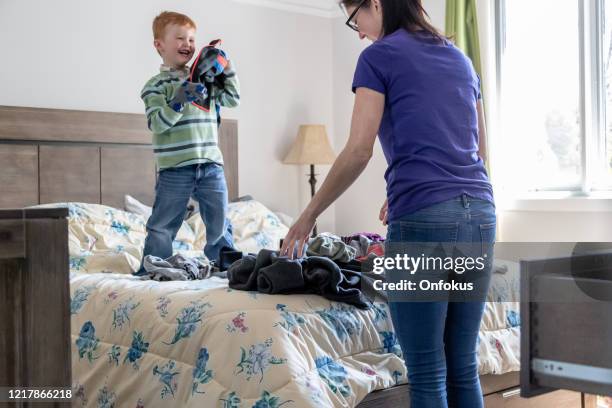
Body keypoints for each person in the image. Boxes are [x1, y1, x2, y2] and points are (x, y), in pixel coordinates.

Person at [280, 1, 495, 407]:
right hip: (480, 215)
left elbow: (359, 150)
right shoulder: (461, 60)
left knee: (429, 370)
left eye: (354, 17)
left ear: (375, 3)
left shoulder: (378, 57)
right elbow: (477, 152)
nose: (358, 31)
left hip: (424, 222)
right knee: (462, 363)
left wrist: (309, 214)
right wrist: (410, 186)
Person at [136, 11, 240, 275]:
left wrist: (227, 68)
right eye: (180, 38)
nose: (188, 44)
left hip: (210, 164)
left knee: (219, 220)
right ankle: (154, 267)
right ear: (159, 45)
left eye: (192, 39)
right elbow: (158, 123)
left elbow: (232, 100)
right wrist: (179, 101)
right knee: (163, 224)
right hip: (175, 168)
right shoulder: (155, 86)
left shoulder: (205, 79)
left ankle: (225, 267)